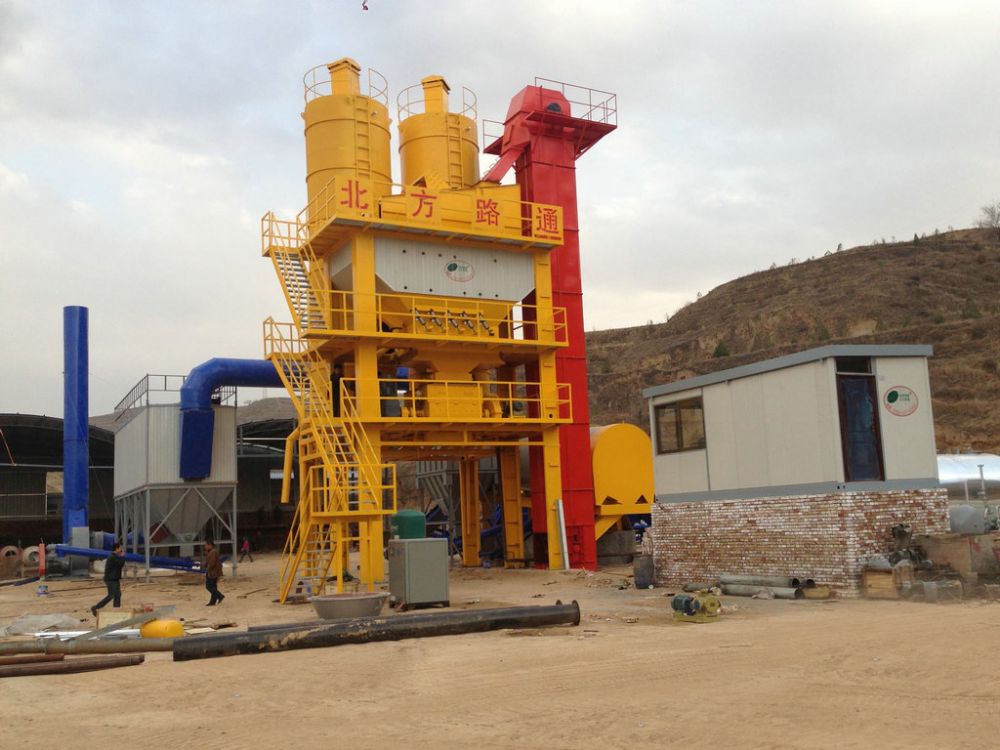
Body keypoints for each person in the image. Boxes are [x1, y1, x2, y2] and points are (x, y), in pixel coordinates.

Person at [91, 543, 126, 617]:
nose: (121, 550)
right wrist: (123, 556)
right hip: (111, 579)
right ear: (116, 549)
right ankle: (96, 607)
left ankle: (116, 611)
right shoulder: (113, 557)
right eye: (120, 548)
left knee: (117, 595)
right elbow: (120, 564)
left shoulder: (115, 556)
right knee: (111, 595)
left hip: (114, 578)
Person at [204, 540, 225, 606]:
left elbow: (212, 563)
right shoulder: (210, 552)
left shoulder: (213, 552)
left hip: (213, 572)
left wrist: (207, 569)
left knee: (209, 586)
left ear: (210, 545)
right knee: (213, 587)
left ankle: (220, 596)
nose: (205, 546)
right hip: (213, 572)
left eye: (206, 545)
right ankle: (213, 601)